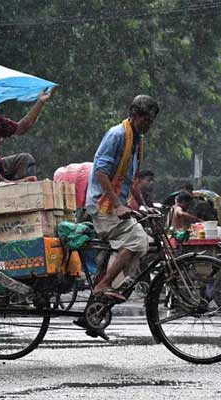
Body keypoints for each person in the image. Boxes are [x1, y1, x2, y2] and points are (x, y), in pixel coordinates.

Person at [77, 95, 159, 340]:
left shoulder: (137, 140)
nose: (148, 124)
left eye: (151, 120)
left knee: (128, 247)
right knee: (138, 240)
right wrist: (118, 205)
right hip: (103, 206)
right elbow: (101, 172)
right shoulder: (117, 135)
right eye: (146, 119)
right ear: (135, 114)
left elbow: (131, 181)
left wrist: (144, 207)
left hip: (115, 205)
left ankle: (94, 311)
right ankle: (105, 284)